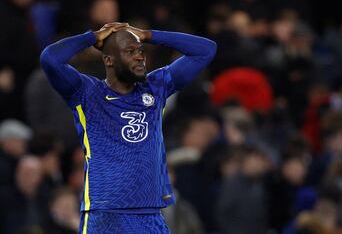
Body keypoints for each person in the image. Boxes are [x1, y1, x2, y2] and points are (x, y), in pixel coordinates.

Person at [40, 22, 217, 233]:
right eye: (130, 51)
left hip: (150, 215)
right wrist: (93, 37)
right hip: (106, 214)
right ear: (109, 60)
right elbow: (50, 59)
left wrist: (149, 35)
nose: (140, 56)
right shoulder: (86, 92)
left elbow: (205, 50)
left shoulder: (155, 87)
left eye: (141, 50)